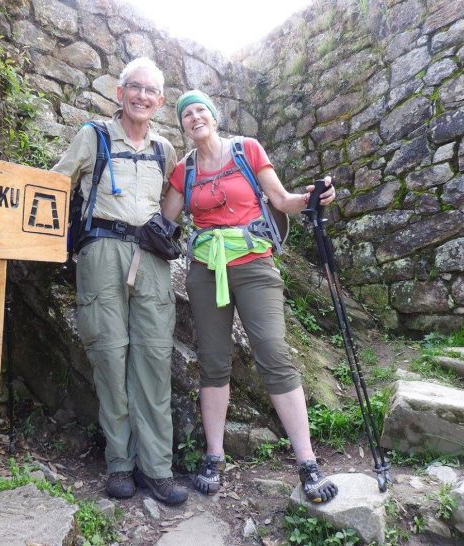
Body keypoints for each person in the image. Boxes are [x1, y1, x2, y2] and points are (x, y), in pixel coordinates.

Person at [162, 90, 339, 503]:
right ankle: (214, 455)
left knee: (274, 353)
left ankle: (307, 461)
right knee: (212, 361)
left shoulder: (247, 149)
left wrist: (310, 198)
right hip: (206, 272)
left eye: (200, 109)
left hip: (255, 264)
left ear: (214, 115)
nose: (193, 117)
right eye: (186, 114)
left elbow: (280, 200)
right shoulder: (183, 171)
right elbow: (164, 221)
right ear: (182, 126)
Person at [53, 57, 188, 505]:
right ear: (119, 91)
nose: (143, 97)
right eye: (136, 88)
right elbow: (53, 186)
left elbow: (178, 200)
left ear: (160, 100)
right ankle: (119, 463)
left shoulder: (164, 149)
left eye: (152, 91)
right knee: (109, 357)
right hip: (101, 253)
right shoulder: (92, 136)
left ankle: (158, 468)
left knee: (152, 358)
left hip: (150, 258)